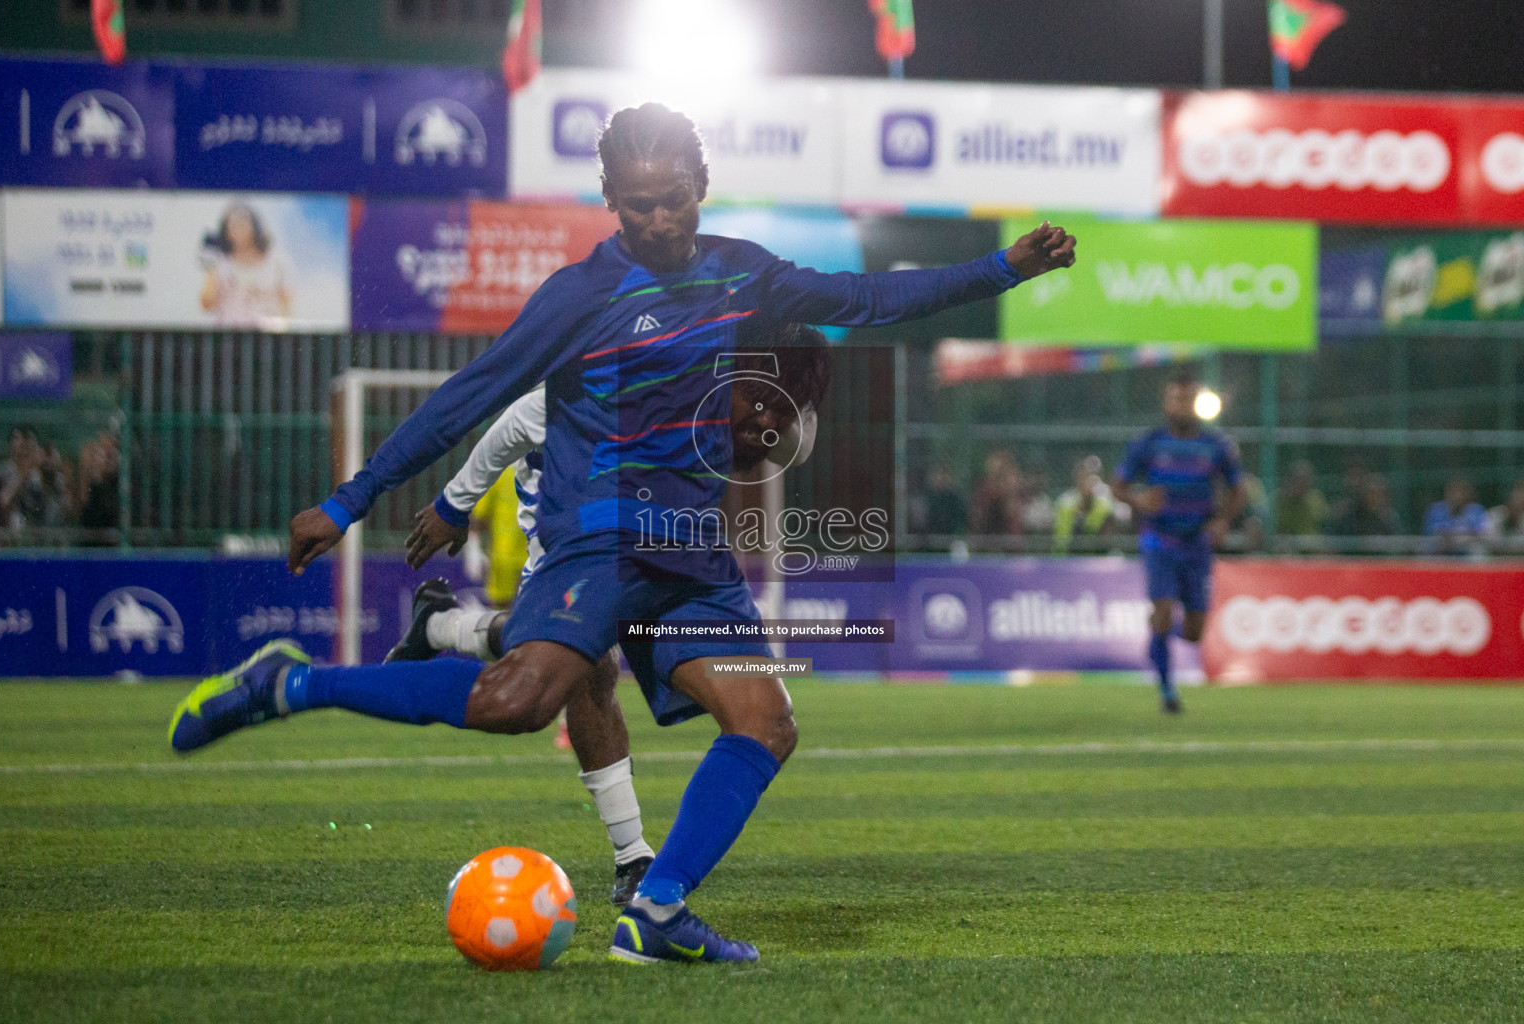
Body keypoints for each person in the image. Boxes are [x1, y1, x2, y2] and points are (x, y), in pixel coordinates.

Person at [168, 102, 1077, 964]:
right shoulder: (579, 295)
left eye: (673, 197)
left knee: (766, 724)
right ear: (610, 202)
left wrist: (1006, 269)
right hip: (598, 541)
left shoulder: (742, 270)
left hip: (691, 553)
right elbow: (469, 397)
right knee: (514, 704)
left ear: (700, 186)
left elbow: (870, 298)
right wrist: (351, 499)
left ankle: (657, 909)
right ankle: (287, 684)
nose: (657, 219)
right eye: (636, 203)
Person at [385, 326, 831, 905]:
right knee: (583, 659)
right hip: (566, 493)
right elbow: (522, 418)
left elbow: (788, 439)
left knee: (574, 651)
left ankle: (439, 626)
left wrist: (782, 415)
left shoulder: (745, 390)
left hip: (658, 513)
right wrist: (455, 502)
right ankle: (632, 856)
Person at [1112, 375, 1246, 714]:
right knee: (1164, 608)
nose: (1180, 406)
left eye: (1187, 400)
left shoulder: (1216, 446)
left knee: (1194, 630)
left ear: (1196, 403)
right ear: (1166, 403)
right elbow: (1119, 487)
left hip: (1197, 542)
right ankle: (1167, 691)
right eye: (1175, 399)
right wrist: (1140, 500)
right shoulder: (1148, 444)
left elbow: (1238, 490)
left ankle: (1158, 639)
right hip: (1160, 540)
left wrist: (1222, 521)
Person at [199, 203, 293, 329]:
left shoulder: (276, 263)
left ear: (255, 228)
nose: (238, 230)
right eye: (233, 226)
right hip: (229, 336)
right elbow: (207, 304)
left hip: (266, 337)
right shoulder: (221, 264)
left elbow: (286, 302)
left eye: (243, 224)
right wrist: (210, 269)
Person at [1052, 455, 1125, 554]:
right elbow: (1059, 536)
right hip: (1065, 559)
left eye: (1094, 476)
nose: (1089, 481)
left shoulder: (1106, 503)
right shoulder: (1066, 502)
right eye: (1085, 476)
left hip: (1096, 559)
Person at [1423, 477, 1491, 555]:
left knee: (1478, 549)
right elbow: (1436, 531)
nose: (1457, 496)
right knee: (1428, 547)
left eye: (1460, 492)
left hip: (1467, 548)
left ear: (1466, 495)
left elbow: (1480, 532)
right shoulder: (1437, 509)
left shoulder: (1476, 510)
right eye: (1453, 492)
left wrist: (1461, 537)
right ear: (1447, 494)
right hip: (1442, 548)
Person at [1273, 460, 1328, 540]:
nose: (1301, 484)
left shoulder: (1316, 498)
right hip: (1288, 545)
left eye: (1305, 480)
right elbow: (1278, 528)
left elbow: (1324, 525)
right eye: (1298, 480)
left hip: (1312, 545)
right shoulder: (1279, 499)